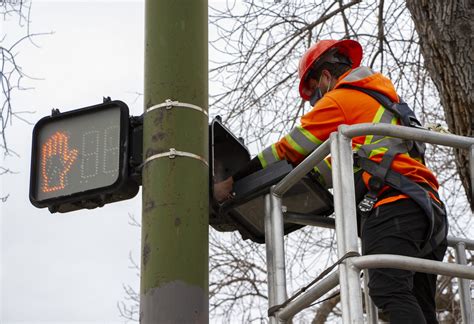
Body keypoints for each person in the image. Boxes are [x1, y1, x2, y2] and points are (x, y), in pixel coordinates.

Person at [214, 39, 448, 323]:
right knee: (419, 305)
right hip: (427, 210)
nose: (316, 104)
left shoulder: (342, 98)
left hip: (393, 205)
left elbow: (288, 150)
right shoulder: (382, 105)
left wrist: (234, 180)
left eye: (314, 97)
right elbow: (327, 169)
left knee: (389, 290)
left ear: (325, 77)